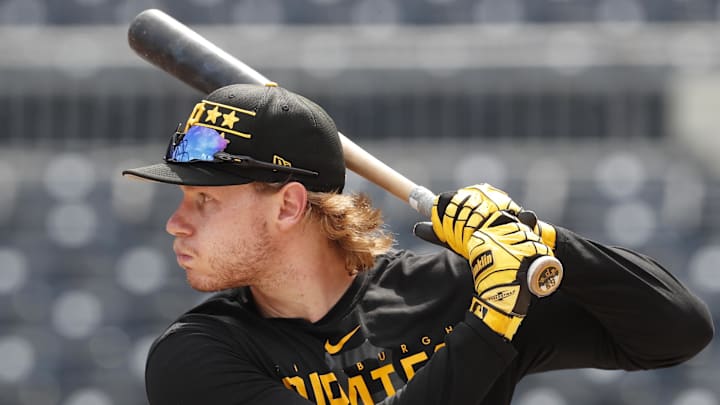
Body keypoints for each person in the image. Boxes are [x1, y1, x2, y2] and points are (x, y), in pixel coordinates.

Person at [122, 82, 714, 405]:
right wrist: (488, 329)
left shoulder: (454, 291)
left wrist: (536, 237)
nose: (176, 222)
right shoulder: (194, 357)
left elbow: (676, 332)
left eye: (204, 201)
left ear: (289, 205)